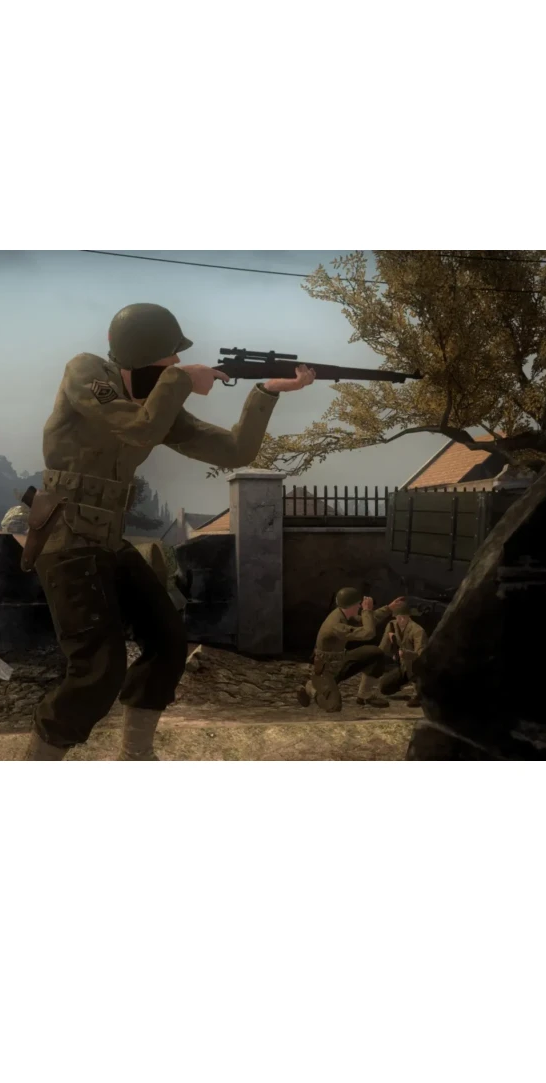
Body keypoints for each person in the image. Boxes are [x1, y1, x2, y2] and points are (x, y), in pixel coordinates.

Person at [23, 302, 316, 760]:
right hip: (67, 539)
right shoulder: (87, 372)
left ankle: (136, 755)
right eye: (170, 355)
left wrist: (266, 391)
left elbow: (235, 451)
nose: (178, 362)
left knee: (167, 641)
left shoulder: (155, 403)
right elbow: (137, 430)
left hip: (106, 539)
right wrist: (181, 381)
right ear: (142, 353)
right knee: (98, 670)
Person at [297, 587, 406, 713]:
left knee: (375, 653)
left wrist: (389, 608)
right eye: (358, 604)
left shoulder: (344, 614)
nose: (359, 606)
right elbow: (368, 633)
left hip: (340, 660)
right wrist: (366, 610)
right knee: (333, 706)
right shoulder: (335, 624)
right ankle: (311, 688)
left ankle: (364, 696)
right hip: (326, 669)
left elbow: (368, 620)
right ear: (351, 605)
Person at [360, 601, 428, 707]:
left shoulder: (418, 630)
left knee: (418, 672)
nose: (401, 620)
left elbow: (421, 655)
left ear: (409, 616)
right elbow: (383, 647)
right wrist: (376, 657)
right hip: (402, 666)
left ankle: (419, 694)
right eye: (399, 617)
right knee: (384, 687)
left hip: (416, 666)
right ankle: (363, 695)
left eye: (404, 617)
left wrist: (405, 653)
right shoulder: (392, 625)